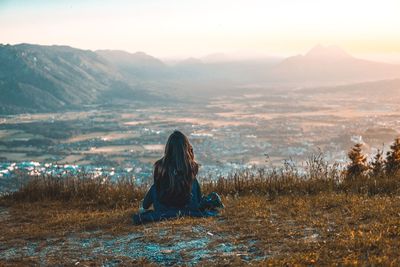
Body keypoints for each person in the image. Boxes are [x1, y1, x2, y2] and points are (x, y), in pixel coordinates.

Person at [132, 130, 224, 225]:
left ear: (168, 148)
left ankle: (144, 206)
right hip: (189, 207)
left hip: (163, 208)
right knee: (193, 182)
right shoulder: (191, 166)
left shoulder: (160, 166)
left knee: (156, 186)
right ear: (185, 148)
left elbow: (157, 189)